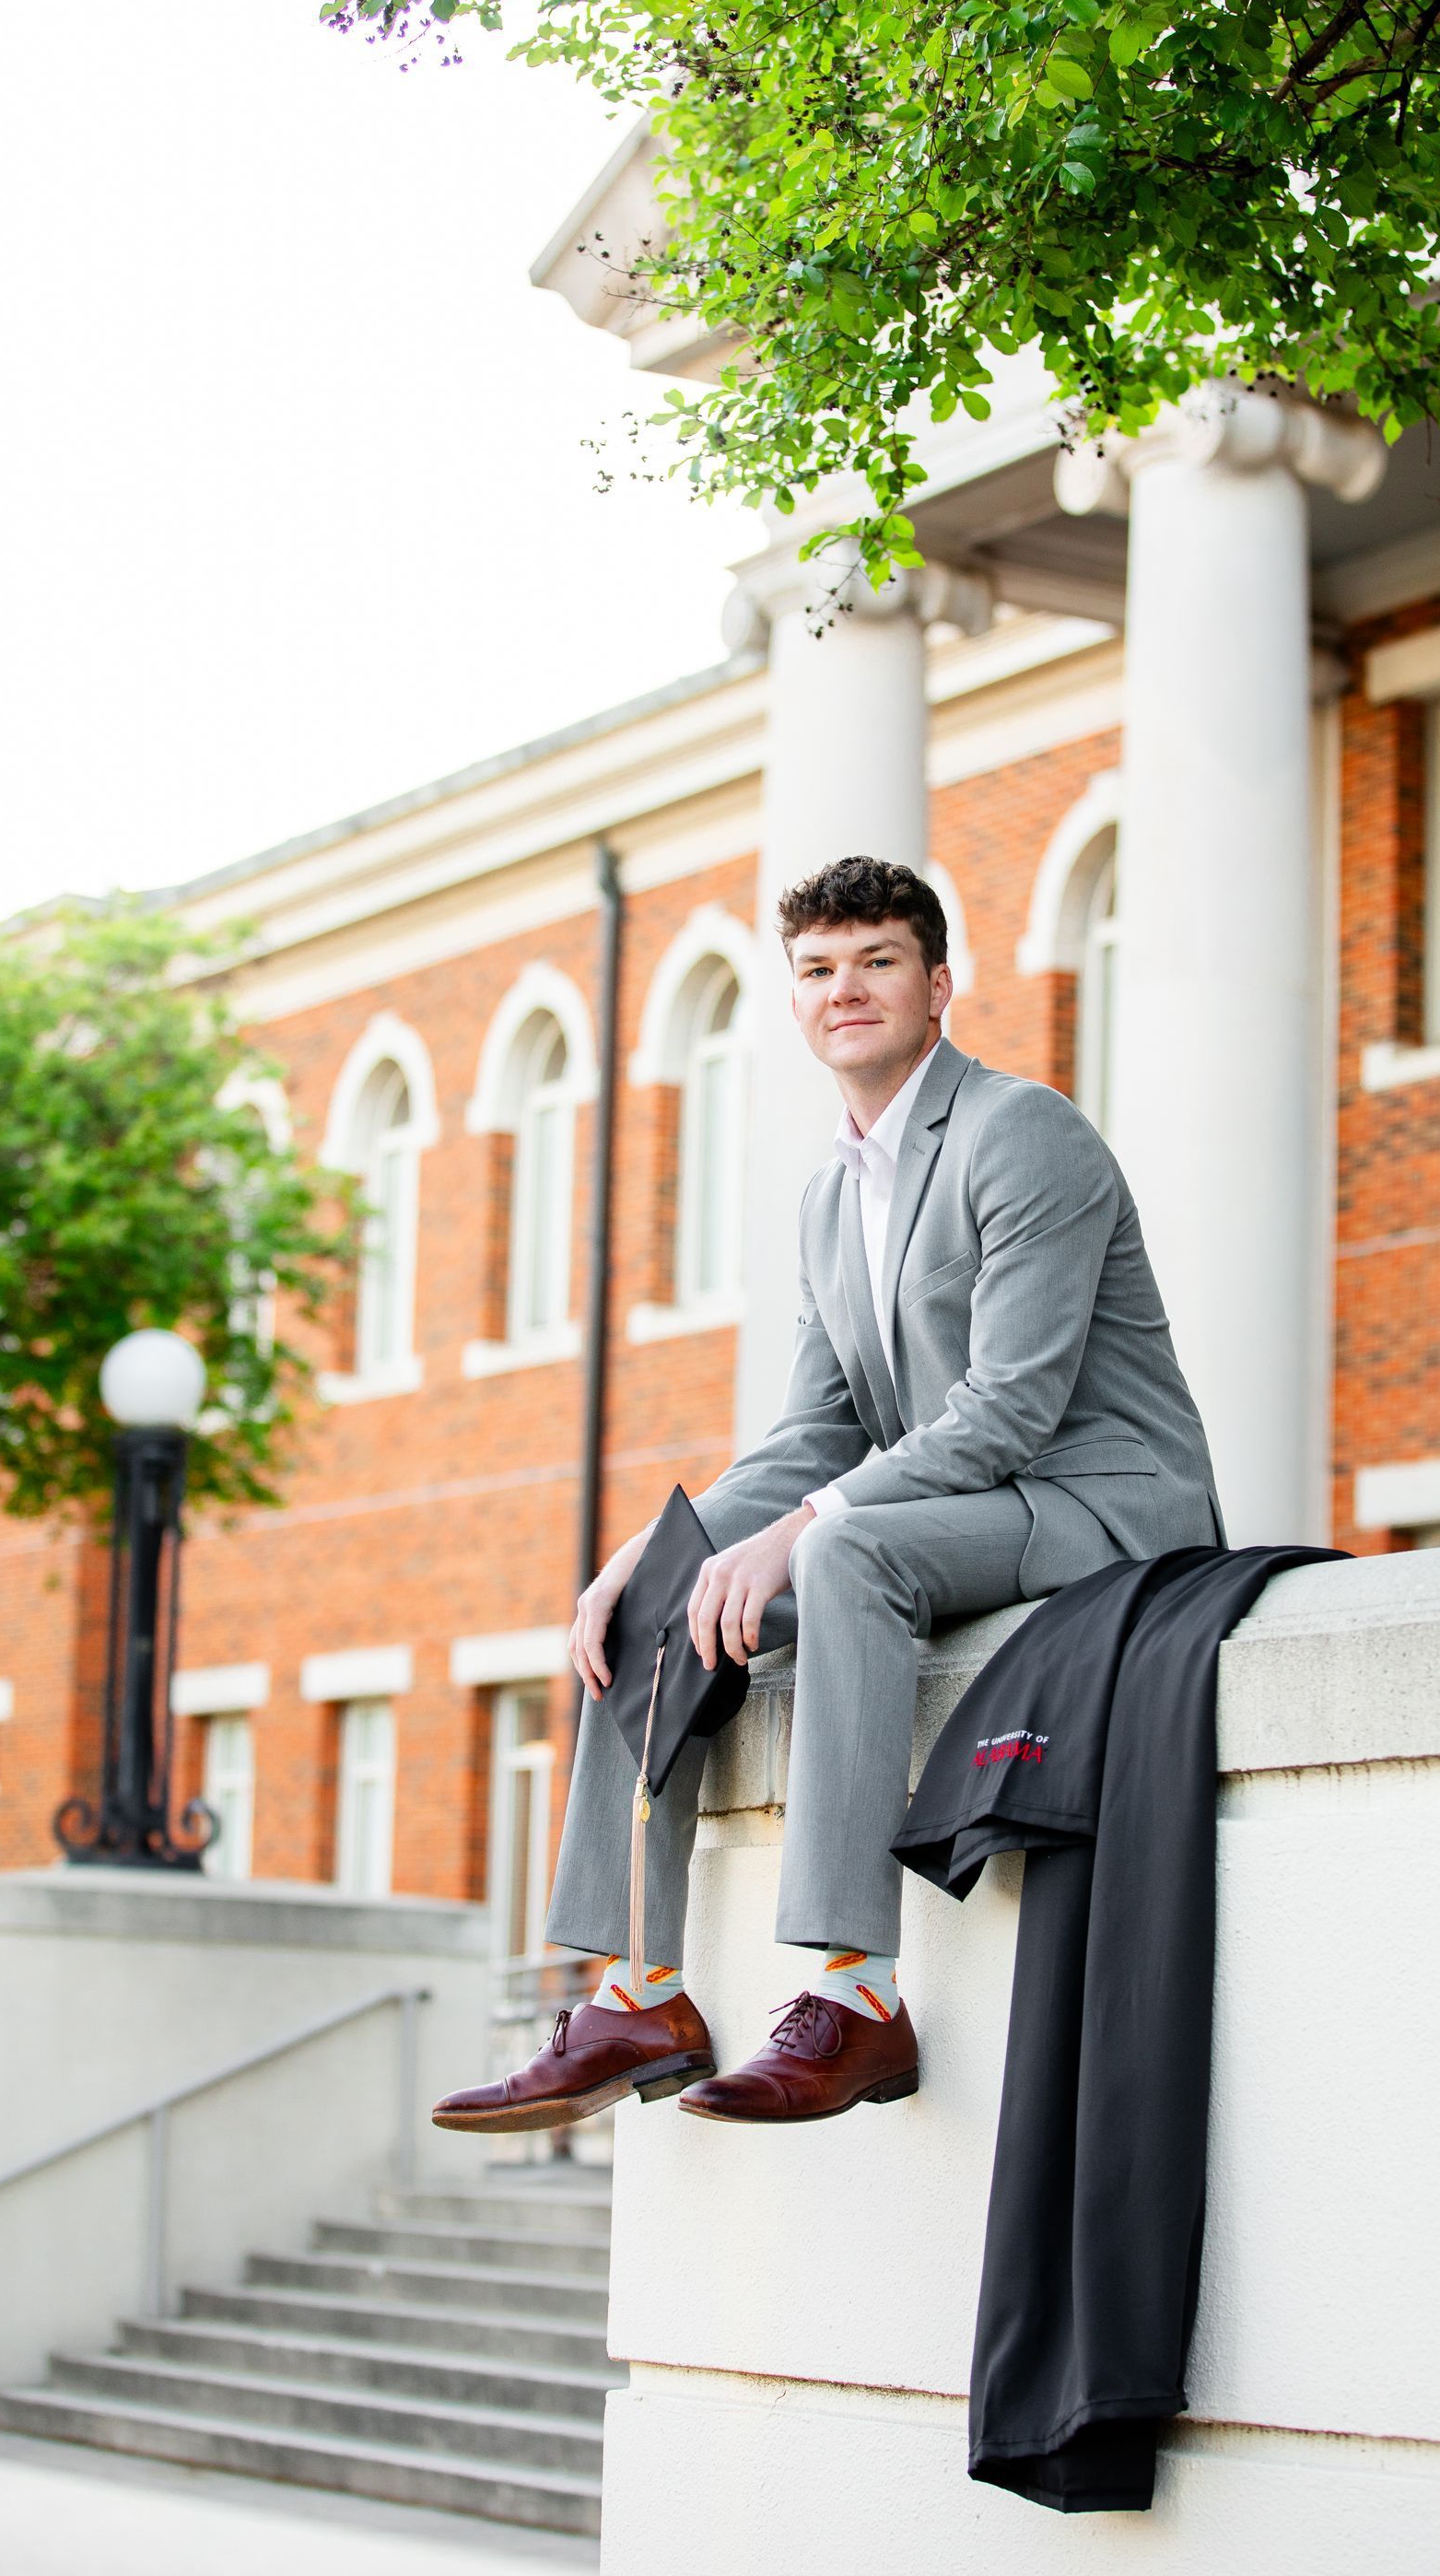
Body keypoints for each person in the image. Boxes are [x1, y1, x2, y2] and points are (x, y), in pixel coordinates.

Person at [431, 855, 1221, 2136]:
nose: (844, 989)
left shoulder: (1024, 1133)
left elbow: (1012, 1407)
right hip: (953, 1509)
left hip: (1098, 1501)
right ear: (793, 1004)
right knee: (676, 1580)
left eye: (877, 962)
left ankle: (857, 1997)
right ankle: (636, 1987)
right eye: (816, 970)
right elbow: (818, 1428)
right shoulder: (826, 1195)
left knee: (844, 1557)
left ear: (939, 984)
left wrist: (807, 1529)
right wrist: (649, 1549)